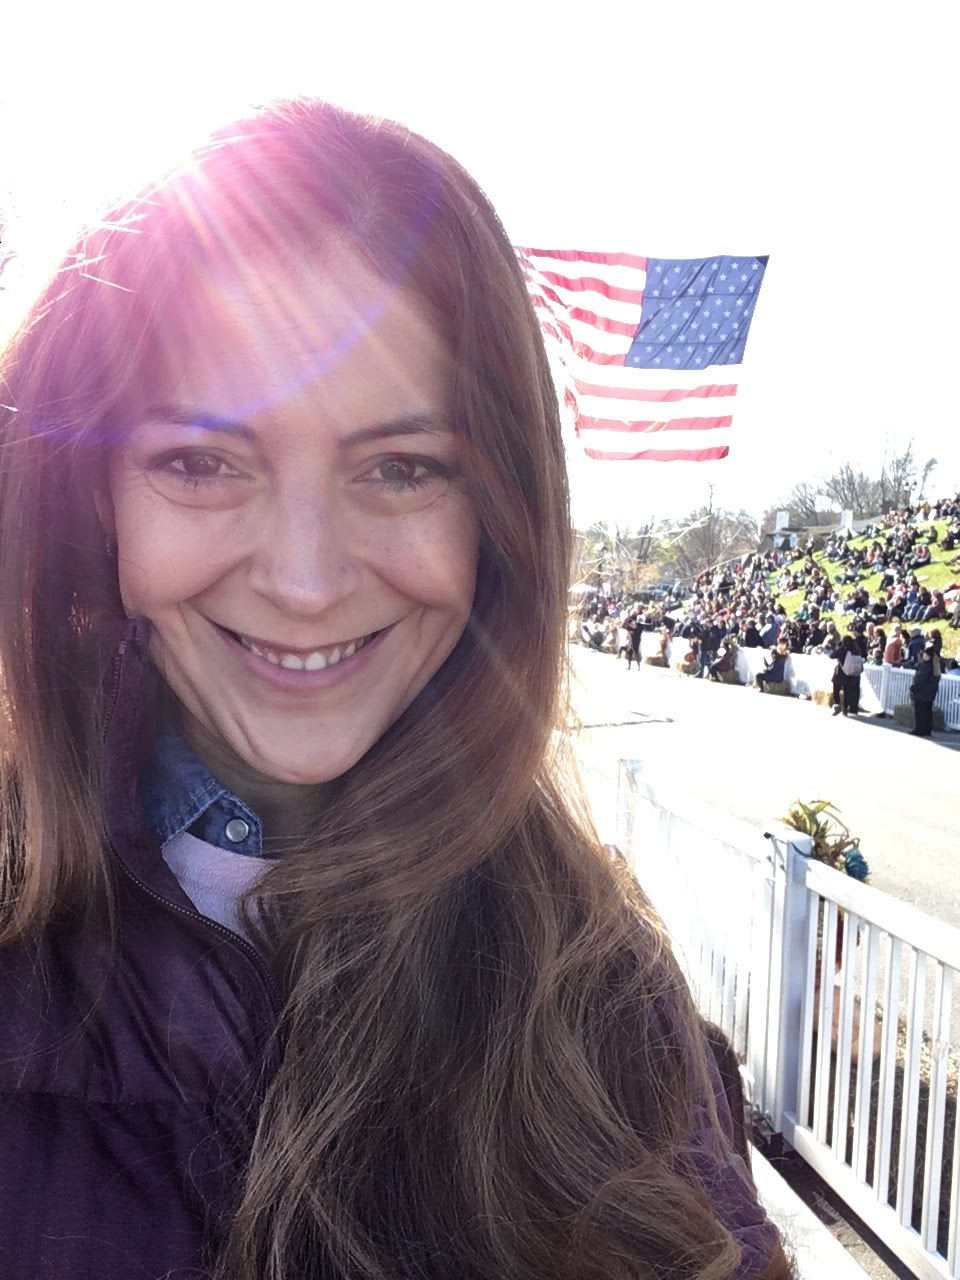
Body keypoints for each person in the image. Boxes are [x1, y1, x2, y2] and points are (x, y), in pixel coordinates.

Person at [0, 101, 791, 1280]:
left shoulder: (610, 996)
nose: (306, 579)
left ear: (497, 514)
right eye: (202, 461)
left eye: (401, 467)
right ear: (95, 497)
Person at [910, 643, 941, 737]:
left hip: (921, 693)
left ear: (927, 655)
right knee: (927, 712)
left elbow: (920, 679)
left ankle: (919, 729)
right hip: (930, 693)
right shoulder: (935, 667)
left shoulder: (925, 667)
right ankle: (927, 729)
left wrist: (913, 688)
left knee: (920, 712)